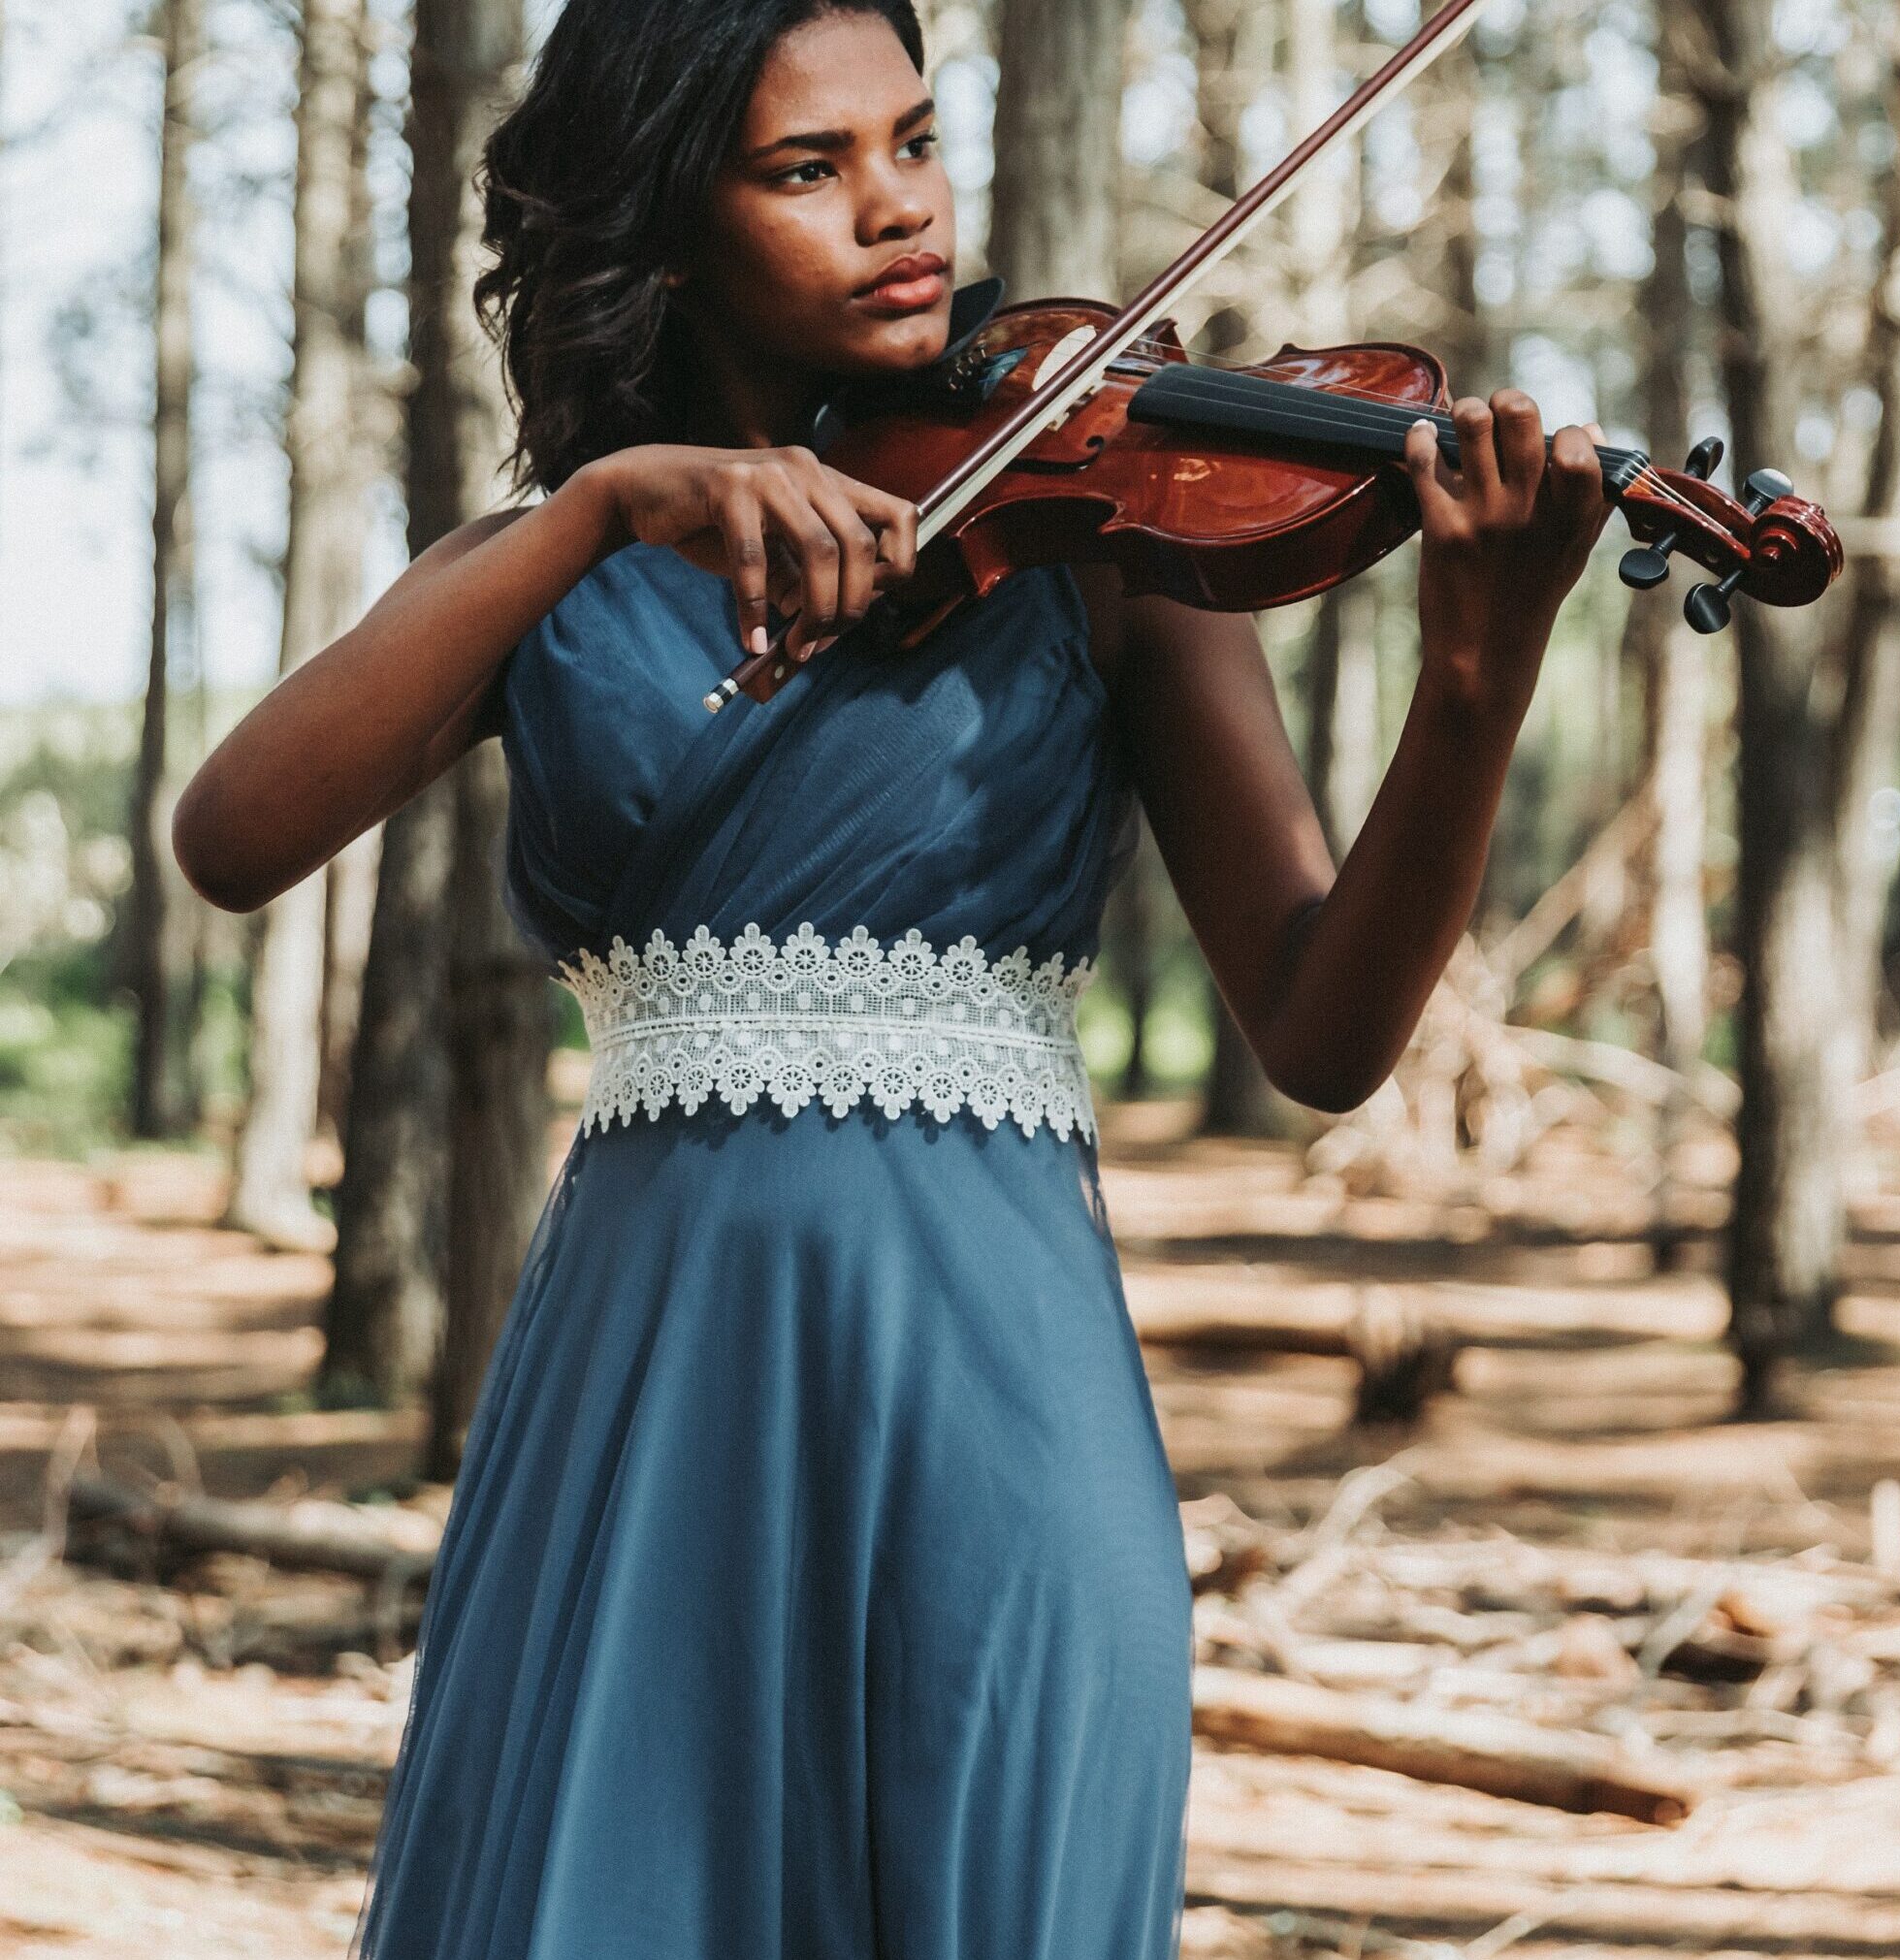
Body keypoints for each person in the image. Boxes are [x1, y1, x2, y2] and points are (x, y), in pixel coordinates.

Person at [173, 3, 1610, 1955]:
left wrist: (1476, 673)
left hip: (1000, 1387)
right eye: (807, 168)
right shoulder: (554, 571)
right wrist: (611, 502)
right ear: (666, 228)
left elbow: (1325, 1028)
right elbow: (234, 835)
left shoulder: (1106, 535)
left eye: (916, 143)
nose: (898, 211)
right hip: (654, 1391)